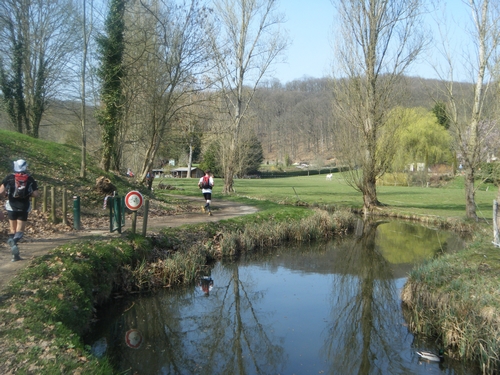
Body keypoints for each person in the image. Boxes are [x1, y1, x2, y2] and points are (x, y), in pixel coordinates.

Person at [0, 159, 40, 261]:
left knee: (12, 229)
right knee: (20, 230)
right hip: (24, 206)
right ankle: (14, 244)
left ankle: (14, 250)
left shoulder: (9, 178)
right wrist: (28, 193)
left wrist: (5, 196)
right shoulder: (30, 179)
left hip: (11, 206)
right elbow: (35, 194)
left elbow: (1, 191)